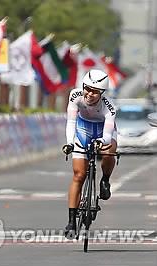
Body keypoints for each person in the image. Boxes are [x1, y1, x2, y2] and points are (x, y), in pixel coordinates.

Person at [61, 69, 118, 239]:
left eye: (95, 91)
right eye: (88, 89)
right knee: (79, 175)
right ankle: (71, 221)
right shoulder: (75, 95)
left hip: (103, 130)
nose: (90, 94)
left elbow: (108, 134)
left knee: (109, 153)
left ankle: (105, 179)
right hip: (83, 128)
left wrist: (103, 143)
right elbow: (71, 121)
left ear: (102, 93)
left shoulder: (110, 106)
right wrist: (70, 143)